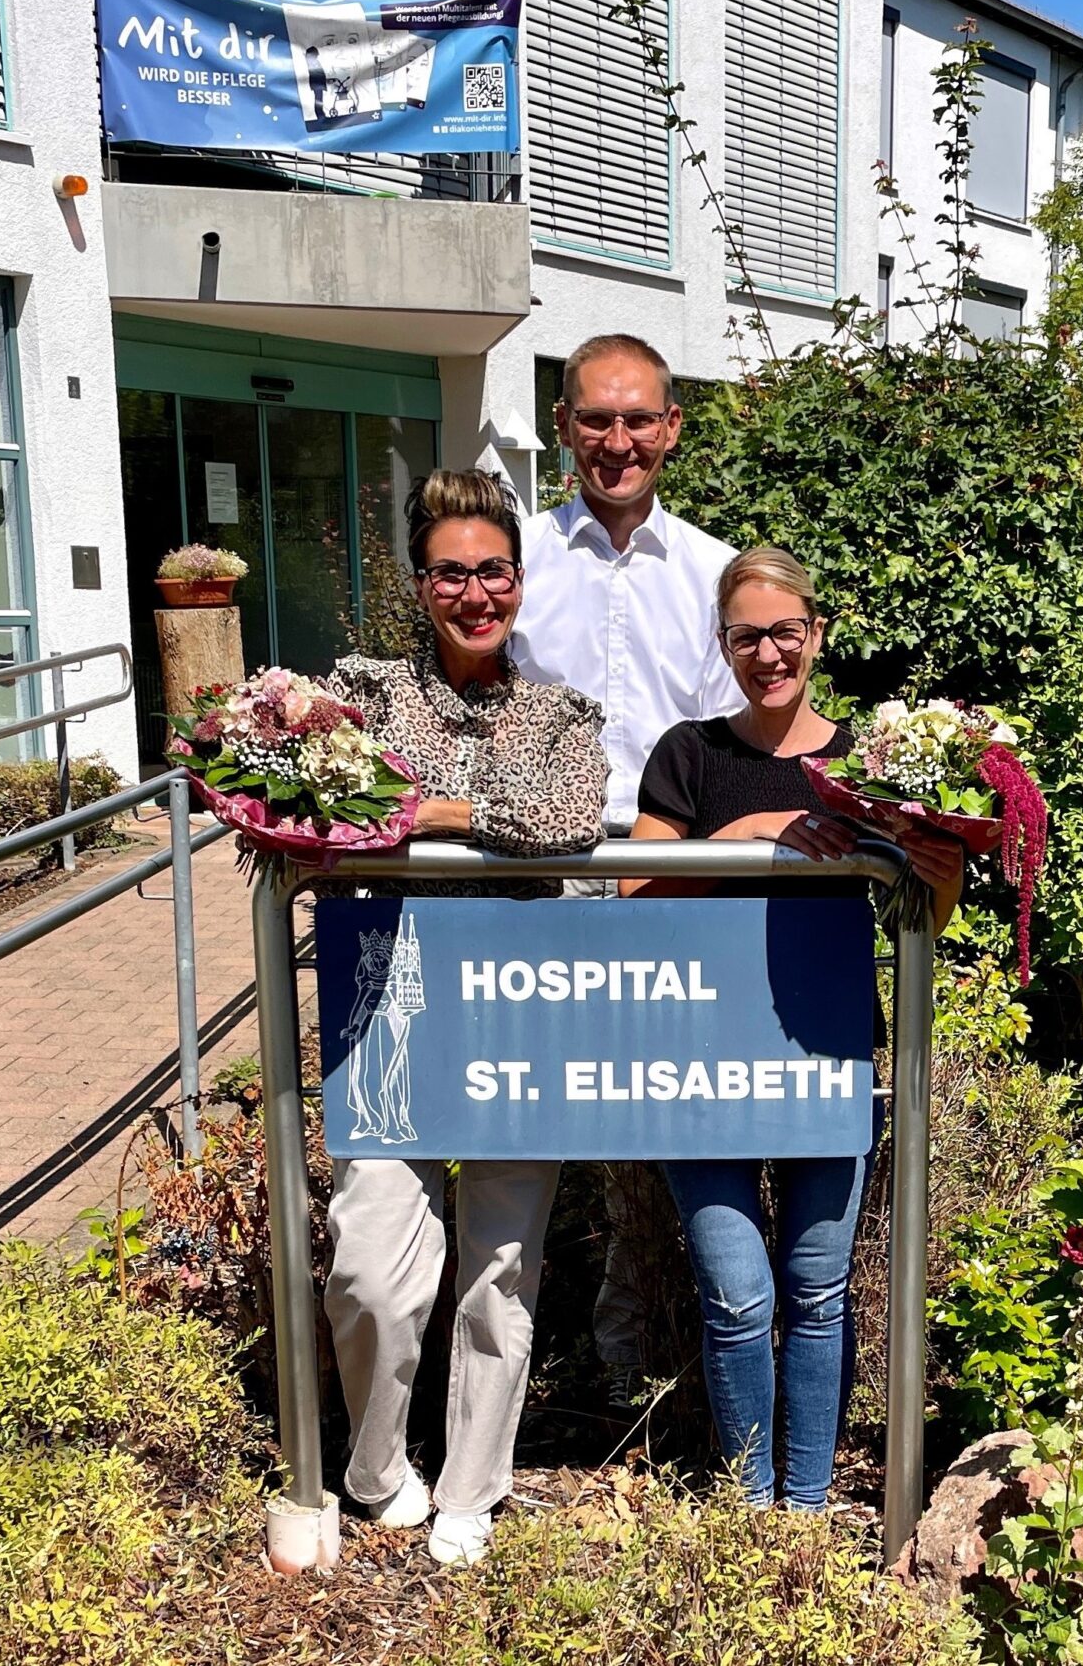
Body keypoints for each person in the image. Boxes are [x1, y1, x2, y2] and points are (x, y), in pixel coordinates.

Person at [620, 546, 962, 1511]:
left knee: (817, 1298)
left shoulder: (873, 764)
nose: (768, 652)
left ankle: (803, 1508)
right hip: (702, 1066)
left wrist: (938, 867)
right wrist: (737, 839)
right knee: (737, 1302)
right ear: (722, 645)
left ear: (817, 632)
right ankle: (747, 1509)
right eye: (746, 636)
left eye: (785, 631)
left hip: (826, 1055)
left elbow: (920, 921)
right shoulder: (689, 755)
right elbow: (632, 891)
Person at [324, 468, 608, 1566]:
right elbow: (315, 785)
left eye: (495, 569)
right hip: (388, 1003)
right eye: (454, 571)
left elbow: (569, 813)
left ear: (519, 580)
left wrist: (430, 812)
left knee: (502, 1265)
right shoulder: (365, 692)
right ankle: (376, 1464)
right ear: (421, 581)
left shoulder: (556, 712)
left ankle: (473, 1485)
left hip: (514, 1014)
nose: (476, 591)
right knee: (371, 1264)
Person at [511, 332, 739, 1394]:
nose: (617, 440)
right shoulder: (513, 560)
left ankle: (628, 1355)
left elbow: (735, 734)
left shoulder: (711, 570)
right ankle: (530, 1337)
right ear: (563, 427)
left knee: (655, 1116)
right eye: (595, 418)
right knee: (531, 1110)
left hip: (667, 874)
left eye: (638, 418)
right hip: (531, 871)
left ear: (672, 429)